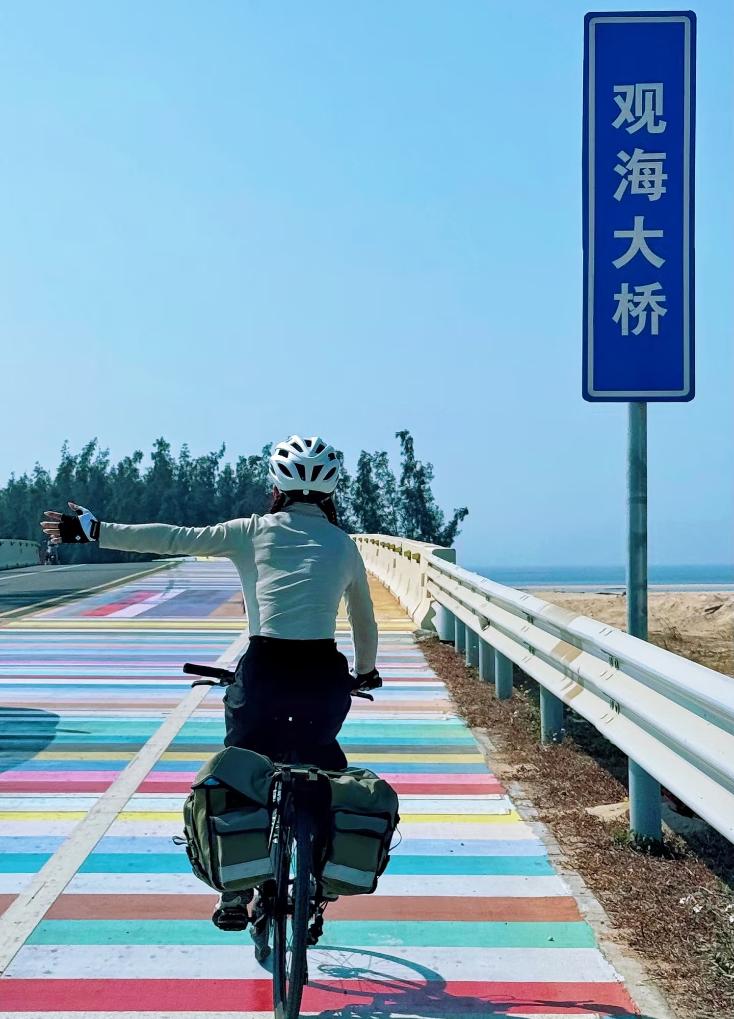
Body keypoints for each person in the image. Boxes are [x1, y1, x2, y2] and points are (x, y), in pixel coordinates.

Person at [41, 434, 380, 928]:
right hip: (323, 677)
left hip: (265, 670)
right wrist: (364, 671)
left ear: (276, 486)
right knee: (322, 771)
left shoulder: (251, 531)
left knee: (242, 769)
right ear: (330, 492)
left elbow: (175, 537)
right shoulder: (343, 544)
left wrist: (98, 530)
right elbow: (363, 621)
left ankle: (235, 891)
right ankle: (317, 885)